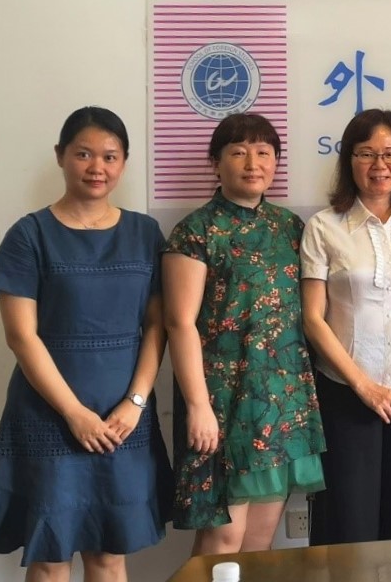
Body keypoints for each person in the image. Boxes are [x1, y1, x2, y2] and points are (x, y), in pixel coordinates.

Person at [0, 106, 172, 581]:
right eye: (84, 154)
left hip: (123, 419)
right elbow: (20, 335)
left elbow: (157, 326)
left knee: (110, 554)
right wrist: (73, 413)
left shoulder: (144, 233)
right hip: (49, 413)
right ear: (61, 156)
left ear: (124, 162)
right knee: (52, 556)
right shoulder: (29, 235)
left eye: (110, 156)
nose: (97, 167)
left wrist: (135, 402)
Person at [164, 113, 326, 556]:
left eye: (263, 152)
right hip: (222, 400)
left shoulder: (290, 228)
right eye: (238, 152)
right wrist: (197, 406)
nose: (253, 163)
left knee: (259, 540)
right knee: (223, 537)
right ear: (216, 163)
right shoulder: (196, 231)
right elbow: (179, 323)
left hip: (281, 398)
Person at [300, 109, 391, 544]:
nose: (379, 165)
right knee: (348, 522)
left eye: (390, 154)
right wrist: (364, 387)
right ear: (349, 160)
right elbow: (313, 318)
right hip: (345, 392)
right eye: (366, 153)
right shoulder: (324, 227)